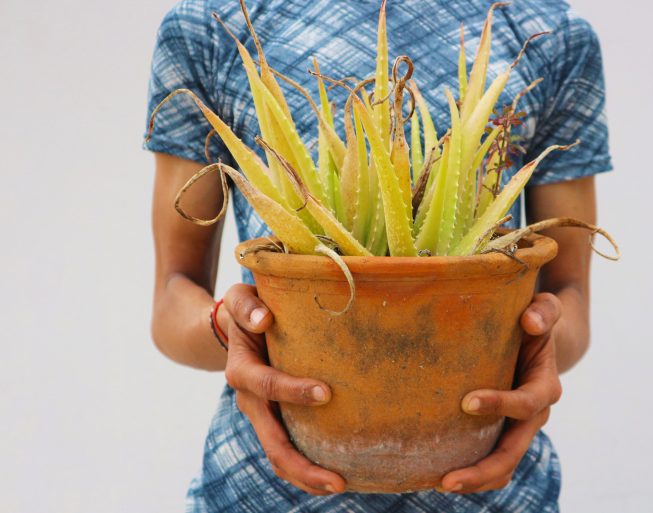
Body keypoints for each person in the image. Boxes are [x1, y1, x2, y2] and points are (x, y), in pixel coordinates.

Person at [145, 0, 611, 510]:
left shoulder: (551, 32)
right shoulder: (211, 25)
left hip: (496, 489)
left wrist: (537, 350)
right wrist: (227, 328)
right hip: (261, 490)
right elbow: (173, 297)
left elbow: (570, 300)